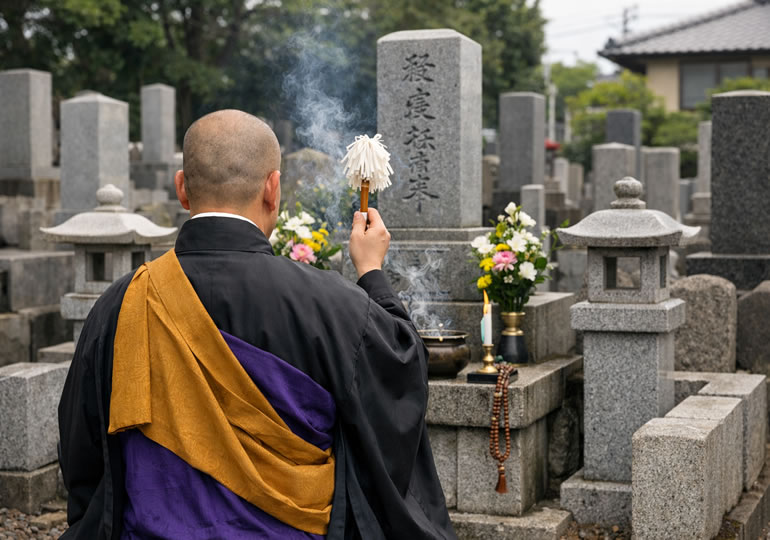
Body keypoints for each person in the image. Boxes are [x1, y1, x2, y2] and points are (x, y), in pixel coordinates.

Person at [58, 109, 455, 540]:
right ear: (273, 188)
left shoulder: (122, 302)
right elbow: (401, 373)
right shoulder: (331, 304)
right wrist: (372, 274)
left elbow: (82, 446)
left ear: (182, 190)